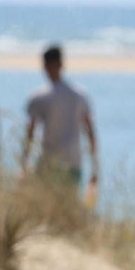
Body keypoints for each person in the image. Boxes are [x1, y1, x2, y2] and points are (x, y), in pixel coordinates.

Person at [23, 45, 98, 190]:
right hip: (73, 159)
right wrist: (95, 166)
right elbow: (90, 131)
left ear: (44, 66)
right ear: (62, 64)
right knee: (68, 206)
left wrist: (24, 162)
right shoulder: (80, 94)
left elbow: (30, 132)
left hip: (49, 159)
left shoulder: (39, 96)